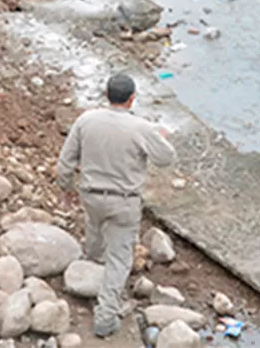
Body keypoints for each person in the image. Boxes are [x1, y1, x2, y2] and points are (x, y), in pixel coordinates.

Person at [56, 73, 176, 338]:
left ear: (107, 95)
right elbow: (166, 158)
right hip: (124, 201)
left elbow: (65, 162)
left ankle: (90, 277)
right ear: (132, 99)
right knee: (120, 258)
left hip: (91, 195)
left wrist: (67, 189)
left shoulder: (86, 120)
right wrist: (159, 137)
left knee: (96, 235)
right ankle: (105, 316)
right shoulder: (141, 128)